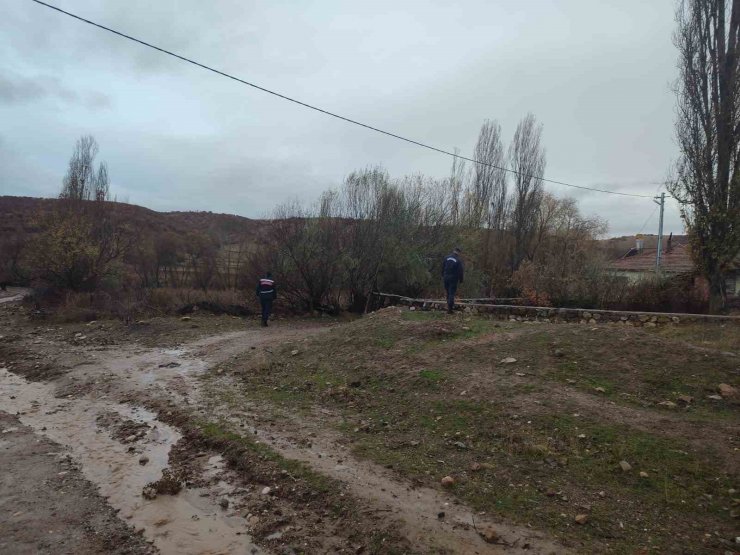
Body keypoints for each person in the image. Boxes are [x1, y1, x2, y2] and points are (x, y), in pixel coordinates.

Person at [442, 247, 464, 314]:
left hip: (446, 277)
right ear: (458, 252)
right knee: (451, 293)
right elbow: (460, 271)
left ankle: (448, 308)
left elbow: (442, 267)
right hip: (453, 278)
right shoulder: (458, 260)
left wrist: (443, 275)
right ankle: (450, 309)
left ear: (453, 251)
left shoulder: (446, 258)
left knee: (448, 293)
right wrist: (461, 279)